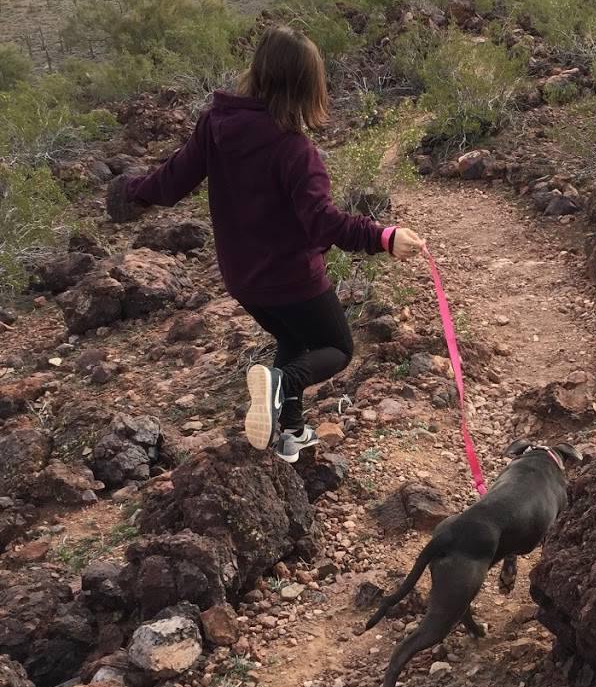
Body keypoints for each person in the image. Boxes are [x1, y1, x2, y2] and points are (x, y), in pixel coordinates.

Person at [106, 25, 425, 461]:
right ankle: (281, 386)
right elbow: (322, 224)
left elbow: (171, 180)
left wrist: (130, 191)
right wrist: (384, 237)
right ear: (304, 86)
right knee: (338, 349)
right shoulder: (295, 151)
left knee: (294, 341)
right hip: (292, 279)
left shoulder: (216, 124)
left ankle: (291, 433)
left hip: (243, 279)